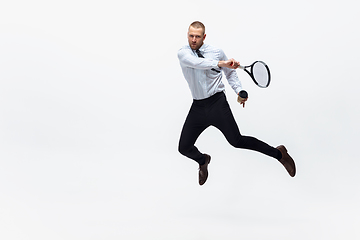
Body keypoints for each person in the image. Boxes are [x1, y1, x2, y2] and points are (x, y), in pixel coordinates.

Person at [177, 21, 296, 185]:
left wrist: (239, 91)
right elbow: (196, 63)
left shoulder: (216, 52)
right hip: (198, 107)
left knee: (237, 141)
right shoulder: (183, 53)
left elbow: (230, 74)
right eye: (191, 36)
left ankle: (279, 154)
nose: (194, 40)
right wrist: (221, 64)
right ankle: (203, 160)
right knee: (183, 148)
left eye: (197, 36)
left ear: (204, 37)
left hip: (217, 103)